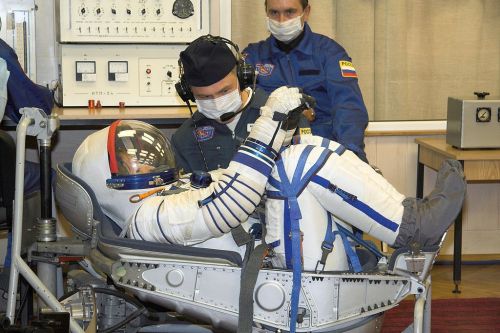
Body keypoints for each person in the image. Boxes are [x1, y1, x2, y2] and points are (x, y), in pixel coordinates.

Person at [73, 85, 466, 272]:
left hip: (278, 261)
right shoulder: (146, 219)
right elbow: (229, 204)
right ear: (105, 179)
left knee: (310, 152)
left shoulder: (160, 203)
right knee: (297, 166)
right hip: (280, 276)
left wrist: (276, 131)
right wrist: (270, 122)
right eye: (132, 163)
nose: (147, 164)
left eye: (147, 155)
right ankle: (413, 227)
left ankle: (408, 221)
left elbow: (227, 180)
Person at [243, 0, 370, 162]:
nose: (281, 20)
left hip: (324, 153)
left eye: (290, 12)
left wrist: (350, 157)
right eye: (274, 13)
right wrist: (289, 112)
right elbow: (244, 107)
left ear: (306, 12)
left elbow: (349, 108)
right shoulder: (253, 57)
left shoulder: (329, 53)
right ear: (266, 12)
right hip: (270, 155)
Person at [172, 34, 310, 174]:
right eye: (205, 97)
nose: (217, 104)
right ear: (189, 94)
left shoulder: (286, 117)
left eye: (224, 91)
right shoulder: (184, 139)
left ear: (242, 78)